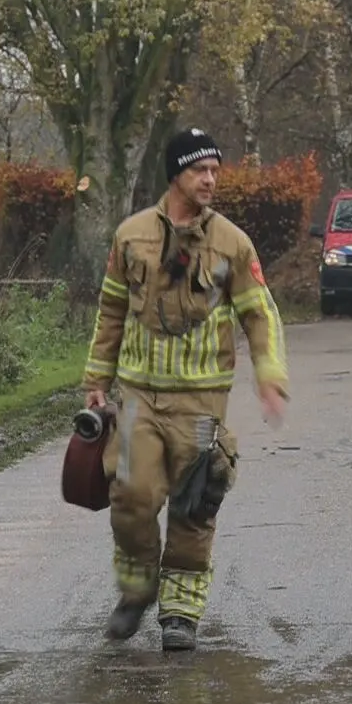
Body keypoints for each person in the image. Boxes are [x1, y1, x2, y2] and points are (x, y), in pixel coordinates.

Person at [83, 127, 290, 651]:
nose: (211, 179)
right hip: (138, 397)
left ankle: (180, 611)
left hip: (201, 400)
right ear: (176, 173)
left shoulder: (233, 243)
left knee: (196, 505)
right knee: (130, 497)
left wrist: (269, 374)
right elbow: (110, 311)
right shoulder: (130, 236)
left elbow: (259, 315)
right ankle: (136, 590)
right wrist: (96, 379)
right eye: (201, 170)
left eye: (216, 170)